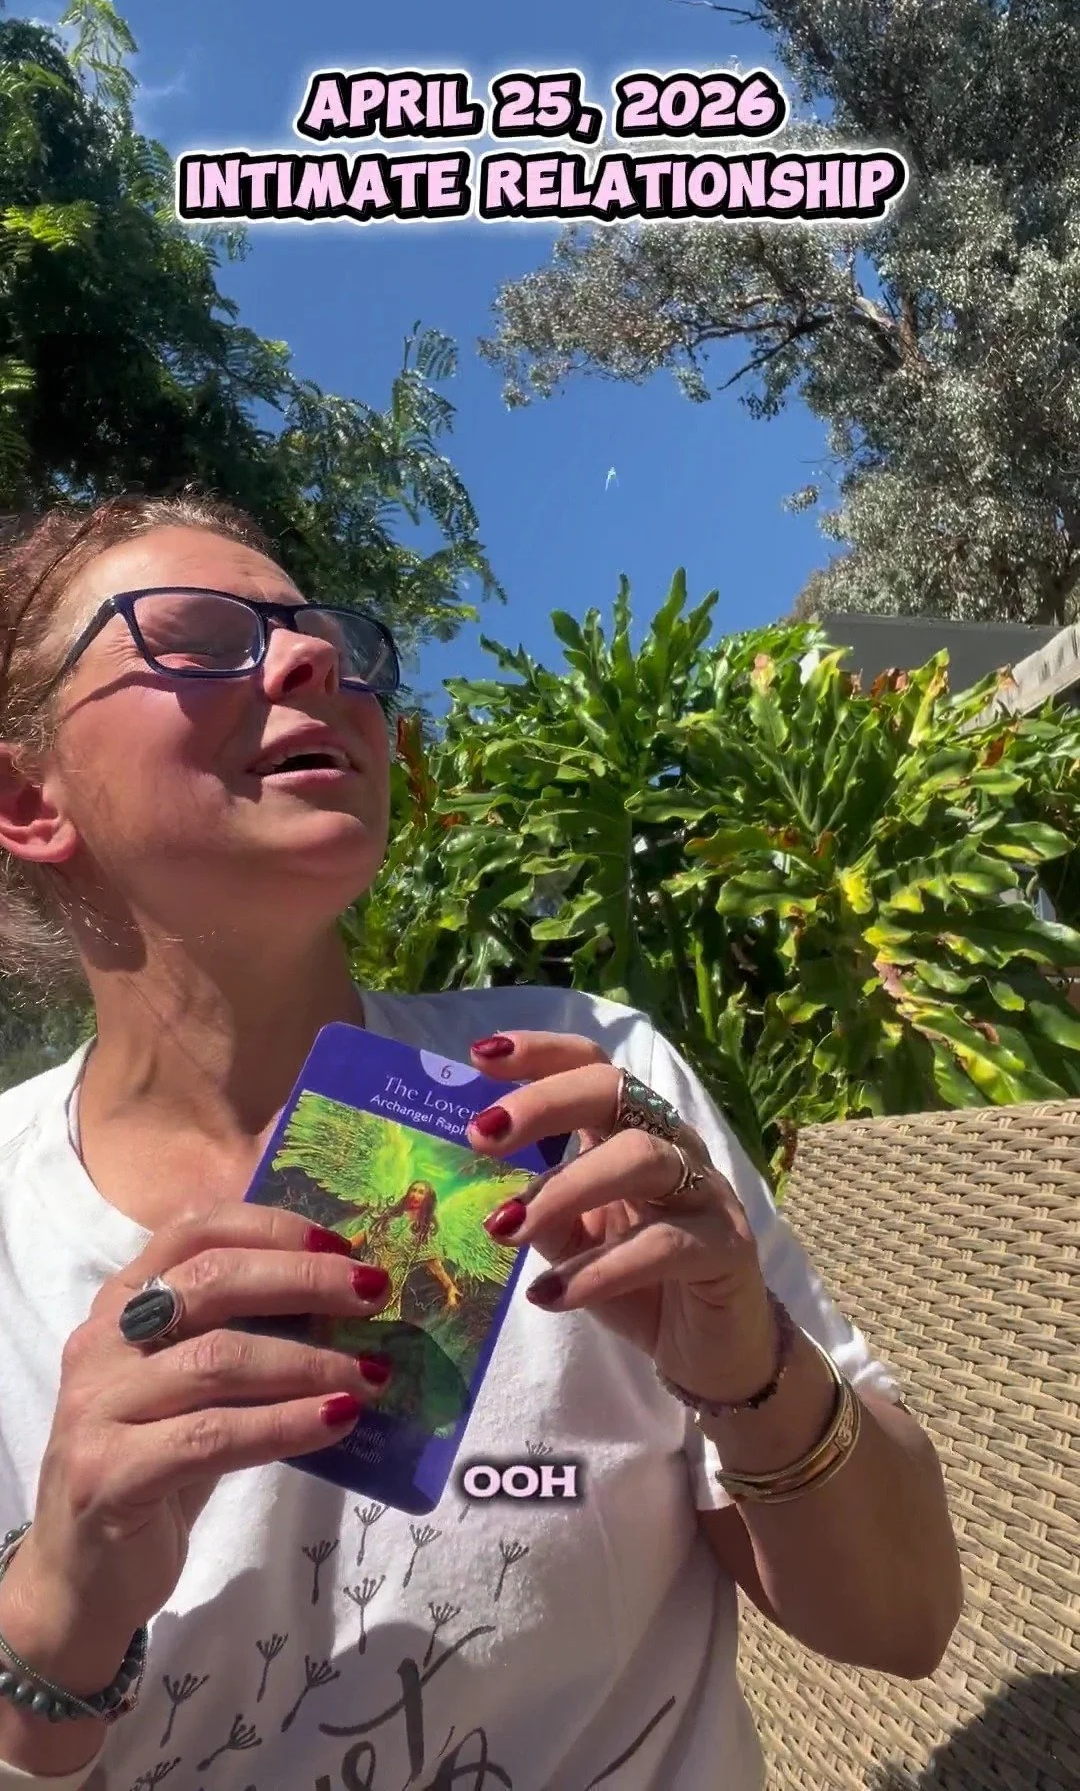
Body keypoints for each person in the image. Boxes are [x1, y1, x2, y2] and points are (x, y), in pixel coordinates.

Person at [0, 494, 962, 1791]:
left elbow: (905, 1624)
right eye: (197, 638)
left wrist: (750, 1374)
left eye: (329, 635)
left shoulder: (582, 1086)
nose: (313, 659)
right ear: (28, 797)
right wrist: (52, 1620)